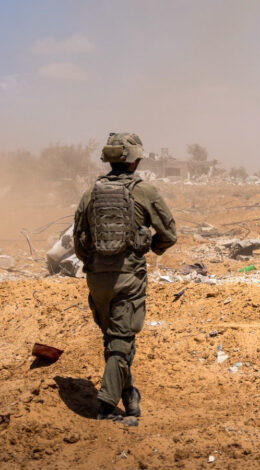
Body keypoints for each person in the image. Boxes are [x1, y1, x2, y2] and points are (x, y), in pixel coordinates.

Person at [73, 132, 177, 421]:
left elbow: (78, 241)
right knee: (121, 341)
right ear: (133, 162)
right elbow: (169, 235)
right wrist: (148, 249)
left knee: (114, 340)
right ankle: (106, 405)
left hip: (96, 278)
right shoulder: (145, 192)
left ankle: (130, 396)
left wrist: (95, 264)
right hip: (128, 276)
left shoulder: (90, 192)